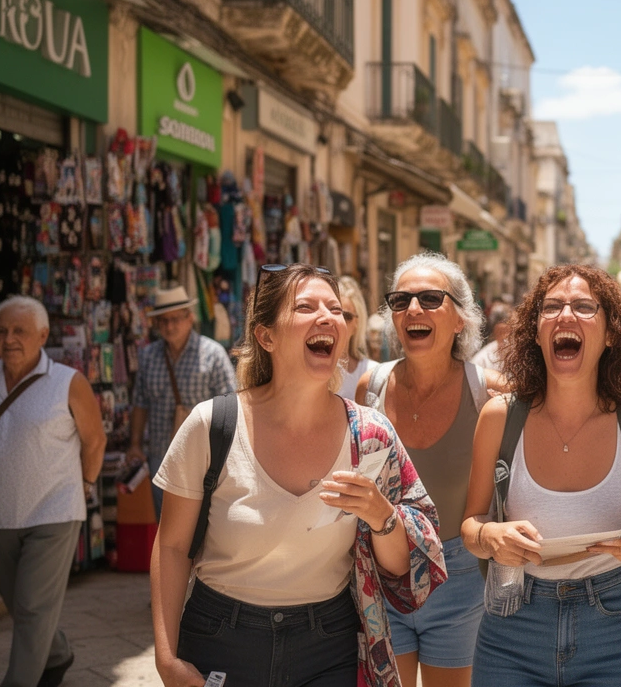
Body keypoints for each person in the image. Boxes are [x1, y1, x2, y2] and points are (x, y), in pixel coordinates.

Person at [150, 264, 445, 687]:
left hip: (328, 643)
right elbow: (173, 546)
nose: (327, 317)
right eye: (305, 307)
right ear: (265, 336)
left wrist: (383, 516)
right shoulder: (212, 424)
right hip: (220, 637)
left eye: (335, 309)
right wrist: (165, 659)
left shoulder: (372, 436)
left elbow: (403, 568)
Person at [462, 264, 621, 686]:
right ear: (536, 330)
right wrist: (490, 538)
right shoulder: (498, 418)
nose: (566, 315)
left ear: (612, 333)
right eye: (552, 307)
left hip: (616, 627)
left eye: (584, 306)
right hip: (512, 627)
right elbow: (470, 525)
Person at [0, 295, 106, 687]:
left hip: (54, 511)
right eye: (1, 331)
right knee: (21, 605)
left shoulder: (67, 382)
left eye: (19, 331)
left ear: (43, 335)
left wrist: (83, 484)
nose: (9, 339)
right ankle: (57, 654)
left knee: (31, 607)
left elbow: (95, 440)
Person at [355, 252, 509, 687]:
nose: (413, 310)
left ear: (461, 319)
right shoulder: (372, 388)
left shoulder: (489, 392)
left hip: (460, 578)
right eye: (401, 301)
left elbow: (559, 406)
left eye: (430, 298)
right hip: (383, 572)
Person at [128, 285, 238, 518]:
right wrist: (135, 444)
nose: (169, 326)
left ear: (190, 318)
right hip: (160, 454)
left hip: (203, 455)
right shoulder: (149, 356)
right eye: (163, 321)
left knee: (202, 520)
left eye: (175, 319)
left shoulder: (212, 354)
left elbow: (232, 405)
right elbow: (140, 403)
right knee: (166, 521)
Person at [336, 275, 378, 402]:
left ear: (357, 323)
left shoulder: (373, 373)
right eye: (334, 313)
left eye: (346, 316)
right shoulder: (308, 371)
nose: (339, 322)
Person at [471, 302, 512, 373]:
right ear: (494, 332)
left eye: (507, 331)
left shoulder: (519, 354)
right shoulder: (482, 359)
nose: (505, 337)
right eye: (500, 332)